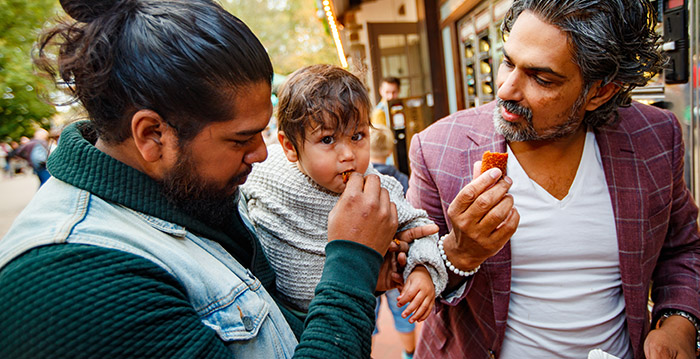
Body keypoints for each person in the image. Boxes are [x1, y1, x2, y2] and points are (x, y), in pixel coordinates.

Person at [0, 0, 425, 357]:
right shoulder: (74, 284)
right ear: (153, 136)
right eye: (241, 139)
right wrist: (349, 265)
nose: (261, 154)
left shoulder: (184, 195)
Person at [406, 1, 700, 358]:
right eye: (508, 62)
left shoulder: (654, 136)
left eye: (541, 78)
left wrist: (680, 320)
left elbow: (683, 248)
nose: (506, 90)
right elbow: (411, 274)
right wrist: (461, 252)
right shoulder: (439, 148)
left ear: (600, 92)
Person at [240, 64, 446, 324]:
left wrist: (422, 270)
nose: (348, 154)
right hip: (274, 317)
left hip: (347, 316)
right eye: (327, 140)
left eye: (357, 136)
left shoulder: (377, 188)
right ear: (290, 146)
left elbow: (421, 228)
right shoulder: (263, 175)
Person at [369, 124, 416, 359]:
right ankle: (409, 353)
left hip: (369, 264)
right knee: (403, 311)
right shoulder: (402, 179)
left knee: (366, 317)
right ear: (389, 149)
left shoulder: (360, 182)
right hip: (398, 260)